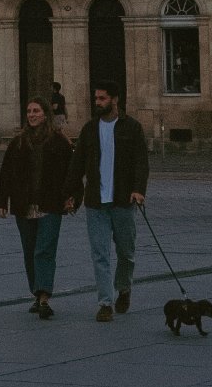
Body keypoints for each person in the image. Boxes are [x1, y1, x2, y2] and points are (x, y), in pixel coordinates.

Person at [63, 81, 149, 322]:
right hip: (96, 203)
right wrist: (70, 195)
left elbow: (141, 162)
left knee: (126, 252)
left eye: (102, 98)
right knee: (100, 254)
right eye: (96, 98)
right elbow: (77, 165)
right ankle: (105, 303)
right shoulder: (90, 129)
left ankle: (124, 288)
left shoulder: (132, 128)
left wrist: (138, 190)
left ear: (115, 99)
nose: (98, 102)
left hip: (123, 200)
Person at [0, 96, 74, 319]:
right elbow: (6, 174)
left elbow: (72, 172)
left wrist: (72, 197)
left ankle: (44, 296)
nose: (32, 115)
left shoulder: (59, 142)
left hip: (51, 204)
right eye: (29, 111)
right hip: (24, 205)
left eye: (36, 111)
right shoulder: (18, 143)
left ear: (46, 115)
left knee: (44, 250)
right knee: (30, 251)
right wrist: (1, 203)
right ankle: (37, 293)